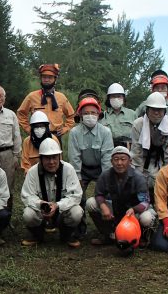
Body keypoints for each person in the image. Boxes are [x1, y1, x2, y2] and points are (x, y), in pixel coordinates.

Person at [86, 146, 155, 245]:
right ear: (111, 161)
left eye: (123, 159)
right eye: (116, 159)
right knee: (91, 203)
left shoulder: (138, 177)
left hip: (134, 211)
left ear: (130, 161)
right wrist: (103, 205)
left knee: (146, 218)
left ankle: (142, 236)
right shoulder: (105, 175)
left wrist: (134, 209)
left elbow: (145, 202)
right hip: (116, 208)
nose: (119, 163)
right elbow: (99, 194)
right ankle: (107, 234)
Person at [20, 138, 83, 248]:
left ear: (59, 156)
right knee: (28, 214)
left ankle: (66, 235)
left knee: (77, 212)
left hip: (62, 210)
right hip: (41, 211)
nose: (51, 162)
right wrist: (40, 204)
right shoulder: (32, 172)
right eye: (47, 158)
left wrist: (57, 205)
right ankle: (37, 235)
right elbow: (27, 196)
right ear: (41, 158)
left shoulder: (68, 169)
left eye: (54, 157)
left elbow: (76, 195)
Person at [68, 97, 113, 237]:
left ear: (98, 114)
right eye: (86, 113)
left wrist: (106, 179)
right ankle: (79, 228)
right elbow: (74, 156)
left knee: (107, 195)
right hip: (83, 168)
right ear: (80, 114)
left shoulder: (106, 132)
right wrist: (78, 177)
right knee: (77, 195)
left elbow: (107, 157)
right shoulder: (74, 132)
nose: (90, 116)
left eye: (93, 113)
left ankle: (108, 227)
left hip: (101, 168)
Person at [17, 64, 75, 146]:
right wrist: (29, 129)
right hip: (37, 136)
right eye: (44, 77)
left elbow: (71, 116)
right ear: (41, 78)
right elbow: (21, 114)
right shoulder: (32, 96)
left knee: (55, 159)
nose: (46, 80)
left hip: (55, 137)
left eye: (50, 77)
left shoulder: (61, 97)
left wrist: (65, 128)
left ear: (55, 79)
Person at [130, 92, 168, 189]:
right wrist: (140, 174)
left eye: (160, 110)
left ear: (165, 111)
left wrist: (165, 172)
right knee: (137, 181)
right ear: (147, 110)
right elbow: (136, 151)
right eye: (153, 109)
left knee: (164, 181)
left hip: (162, 160)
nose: (156, 113)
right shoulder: (138, 124)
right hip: (142, 159)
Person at [99, 83, 136, 147]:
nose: (116, 99)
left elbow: (138, 135)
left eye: (119, 96)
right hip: (108, 150)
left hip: (128, 151)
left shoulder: (132, 114)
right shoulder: (102, 116)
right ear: (109, 98)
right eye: (113, 96)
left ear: (123, 98)